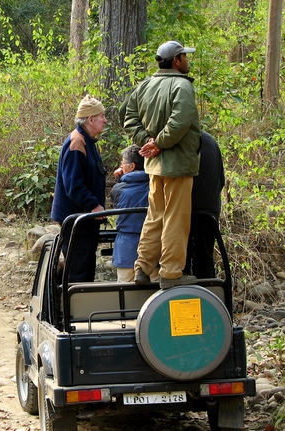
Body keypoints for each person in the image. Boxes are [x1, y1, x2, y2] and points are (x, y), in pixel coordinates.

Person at [123, 40, 201, 290]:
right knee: (176, 218)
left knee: (154, 216)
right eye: (185, 57)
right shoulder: (182, 86)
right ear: (176, 61)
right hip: (177, 165)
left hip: (154, 166)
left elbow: (128, 117)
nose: (187, 61)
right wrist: (159, 143)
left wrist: (146, 141)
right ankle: (170, 272)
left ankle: (143, 268)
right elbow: (180, 121)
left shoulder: (144, 85)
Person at [51, 94, 108, 282]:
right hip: (77, 218)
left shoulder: (88, 141)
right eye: (102, 116)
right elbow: (73, 185)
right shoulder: (77, 143)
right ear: (91, 119)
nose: (105, 120)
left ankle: (83, 305)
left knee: (86, 265)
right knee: (78, 269)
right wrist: (94, 205)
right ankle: (73, 309)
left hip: (85, 218)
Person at [110, 145, 159, 283]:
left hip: (125, 251)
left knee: (125, 294)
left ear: (131, 166)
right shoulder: (157, 186)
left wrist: (119, 179)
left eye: (123, 163)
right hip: (153, 249)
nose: (121, 166)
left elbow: (115, 202)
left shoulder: (119, 188)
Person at [185, 131, 225, 278]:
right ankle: (207, 294)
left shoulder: (184, 141)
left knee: (182, 263)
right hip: (209, 212)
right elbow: (221, 180)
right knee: (205, 259)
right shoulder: (211, 141)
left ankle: (184, 298)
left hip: (188, 211)